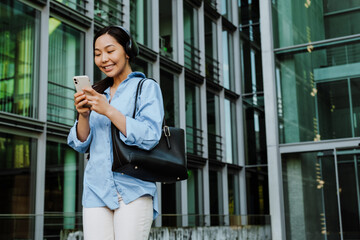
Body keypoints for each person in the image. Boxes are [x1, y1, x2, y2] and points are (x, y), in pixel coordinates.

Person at [67, 26, 164, 240]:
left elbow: (150, 136)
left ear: (127, 51)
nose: (103, 59)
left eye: (110, 51)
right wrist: (83, 116)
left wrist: (109, 110)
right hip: (95, 191)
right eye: (97, 53)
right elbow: (81, 144)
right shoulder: (97, 92)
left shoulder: (146, 87)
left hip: (133, 189)